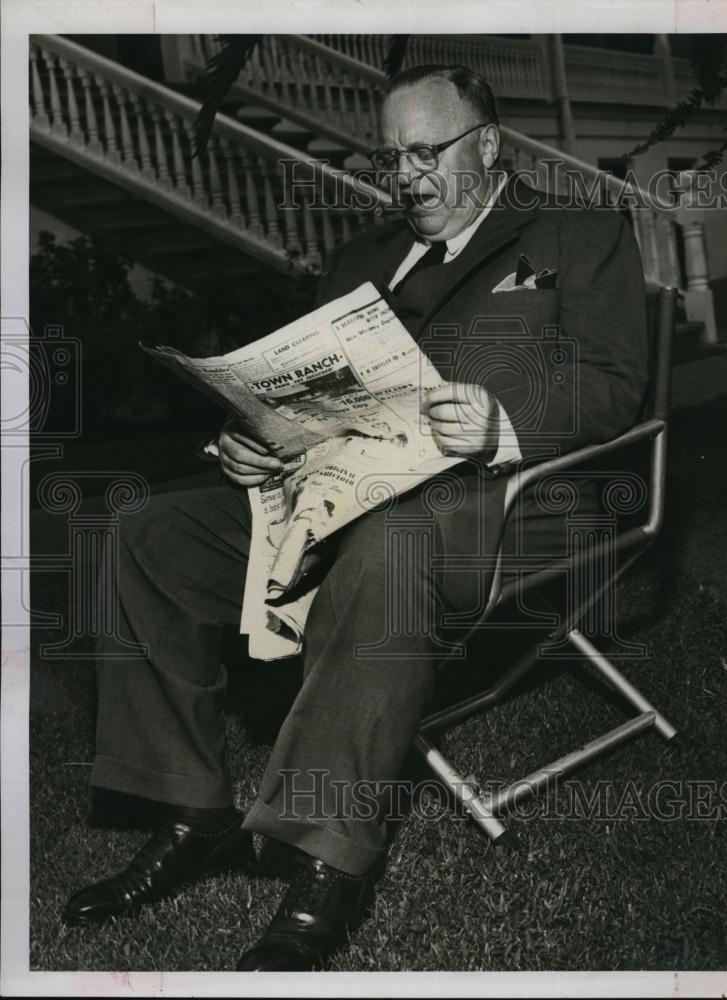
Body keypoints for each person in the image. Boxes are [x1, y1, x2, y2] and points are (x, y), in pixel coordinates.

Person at [62, 63, 648, 971]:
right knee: (149, 535)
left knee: (386, 544)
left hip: (497, 501)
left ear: (487, 146)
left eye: (427, 151)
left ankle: (322, 856)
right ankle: (192, 811)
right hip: (337, 490)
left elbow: (617, 388)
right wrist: (257, 438)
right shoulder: (363, 257)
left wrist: (507, 421)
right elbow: (311, 398)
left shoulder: (577, 232)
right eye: (391, 158)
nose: (408, 176)